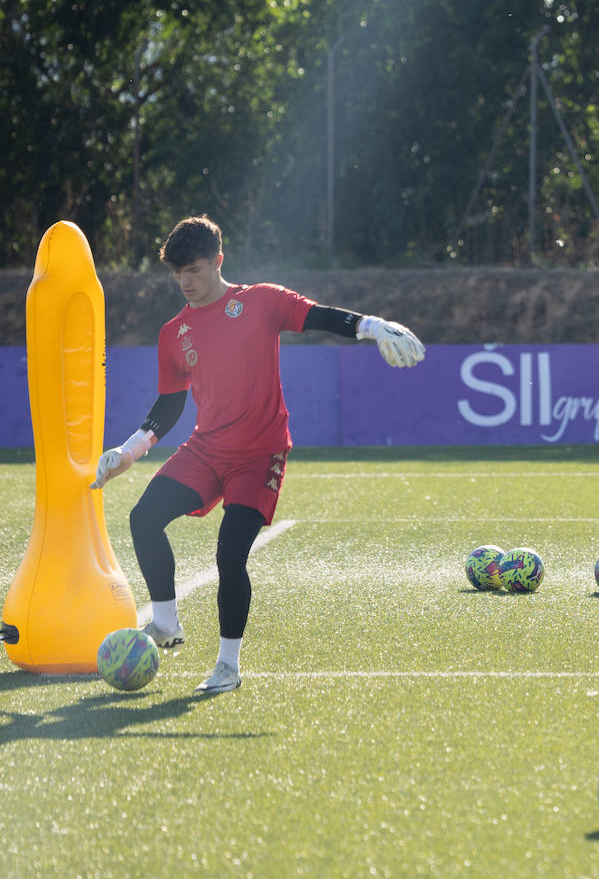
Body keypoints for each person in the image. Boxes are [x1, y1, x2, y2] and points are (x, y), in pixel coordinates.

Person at [91, 215, 424, 694]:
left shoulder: (260, 301)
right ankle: (164, 622)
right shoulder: (174, 332)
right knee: (144, 518)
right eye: (178, 273)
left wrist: (371, 326)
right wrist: (129, 450)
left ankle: (227, 666)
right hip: (207, 449)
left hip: (260, 454)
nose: (186, 282)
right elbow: (170, 403)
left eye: (196, 270)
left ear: (218, 261)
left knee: (230, 553)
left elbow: (318, 316)